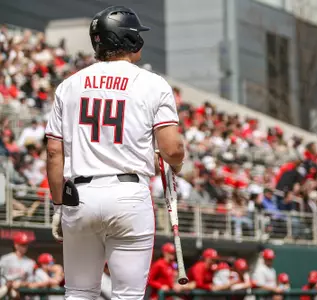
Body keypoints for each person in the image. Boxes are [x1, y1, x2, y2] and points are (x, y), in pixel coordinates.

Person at [45, 5, 185, 299]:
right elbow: (172, 148)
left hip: (79, 195)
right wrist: (177, 162)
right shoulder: (152, 83)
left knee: (79, 293)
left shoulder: (68, 85)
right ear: (130, 40)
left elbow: (54, 154)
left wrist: (58, 206)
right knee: (127, 296)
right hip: (128, 195)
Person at [0, 232, 35, 299]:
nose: (24, 247)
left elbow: (32, 281)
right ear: (16, 245)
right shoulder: (5, 259)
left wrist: (22, 284)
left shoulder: (30, 262)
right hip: (5, 292)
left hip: (22, 294)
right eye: (22, 244)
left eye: (26, 245)